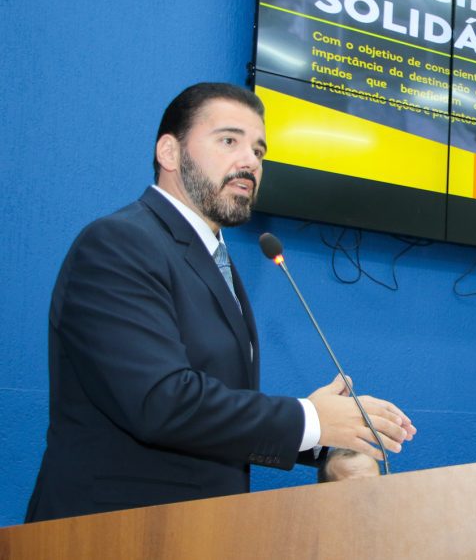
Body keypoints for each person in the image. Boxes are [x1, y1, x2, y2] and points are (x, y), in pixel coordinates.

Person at [26, 82, 415, 522]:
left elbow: (212, 418)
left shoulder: (213, 260)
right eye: (229, 141)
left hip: (197, 532)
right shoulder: (119, 243)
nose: (250, 161)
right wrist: (310, 419)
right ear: (169, 152)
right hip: (110, 533)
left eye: (259, 150)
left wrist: (328, 441)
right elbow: (161, 402)